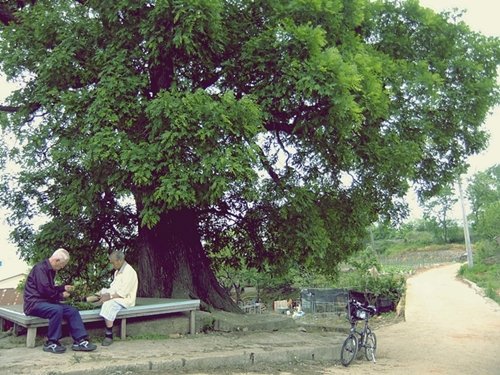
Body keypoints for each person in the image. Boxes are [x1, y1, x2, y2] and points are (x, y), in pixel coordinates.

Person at [23, 248, 97, 354]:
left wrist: (63, 288)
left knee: (72, 310)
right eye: (62, 264)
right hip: (34, 304)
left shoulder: (50, 270)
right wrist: (61, 295)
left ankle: (80, 340)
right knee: (56, 309)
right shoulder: (40, 268)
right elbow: (44, 290)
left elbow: (50, 288)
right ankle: (51, 342)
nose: (62, 267)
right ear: (56, 260)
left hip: (46, 302)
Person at [88, 250, 138, 346]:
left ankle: (109, 334)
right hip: (116, 295)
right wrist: (105, 293)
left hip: (126, 299)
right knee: (102, 292)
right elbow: (114, 287)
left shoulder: (129, 272)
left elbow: (124, 293)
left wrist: (109, 297)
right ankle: (83, 301)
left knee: (108, 304)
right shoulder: (117, 272)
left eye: (113, 263)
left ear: (120, 260)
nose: (112, 265)